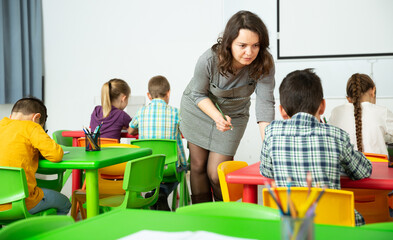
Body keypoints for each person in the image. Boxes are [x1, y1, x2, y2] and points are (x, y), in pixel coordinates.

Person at [179, 10, 275, 203]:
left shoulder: (264, 63)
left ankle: (226, 215)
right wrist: (216, 117)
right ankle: (203, 220)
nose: (249, 52)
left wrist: (269, 145)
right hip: (198, 109)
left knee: (216, 172)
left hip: (235, 115)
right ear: (229, 43)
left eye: (256, 45)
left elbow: (265, 104)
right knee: (197, 167)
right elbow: (198, 93)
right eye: (242, 45)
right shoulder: (208, 60)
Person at [260, 69, 372, 226]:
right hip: (333, 226)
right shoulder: (336, 135)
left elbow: (266, 171)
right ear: (322, 106)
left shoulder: (271, 132)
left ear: (282, 111)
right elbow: (363, 171)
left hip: (290, 226)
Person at [0, 97, 71, 215]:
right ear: (36, 117)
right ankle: (46, 232)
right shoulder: (32, 127)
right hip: (23, 202)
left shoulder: (2, 124)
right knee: (65, 203)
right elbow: (56, 155)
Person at [129, 75, 187, 211]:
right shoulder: (175, 113)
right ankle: (162, 193)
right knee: (180, 169)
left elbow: (131, 130)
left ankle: (154, 193)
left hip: (147, 167)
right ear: (168, 93)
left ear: (149, 95)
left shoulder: (141, 112)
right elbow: (184, 133)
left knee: (154, 173)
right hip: (169, 168)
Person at [329, 73, 393, 155]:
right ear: (373, 91)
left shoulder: (336, 112)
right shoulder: (382, 112)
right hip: (377, 166)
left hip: (345, 167)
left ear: (348, 98)